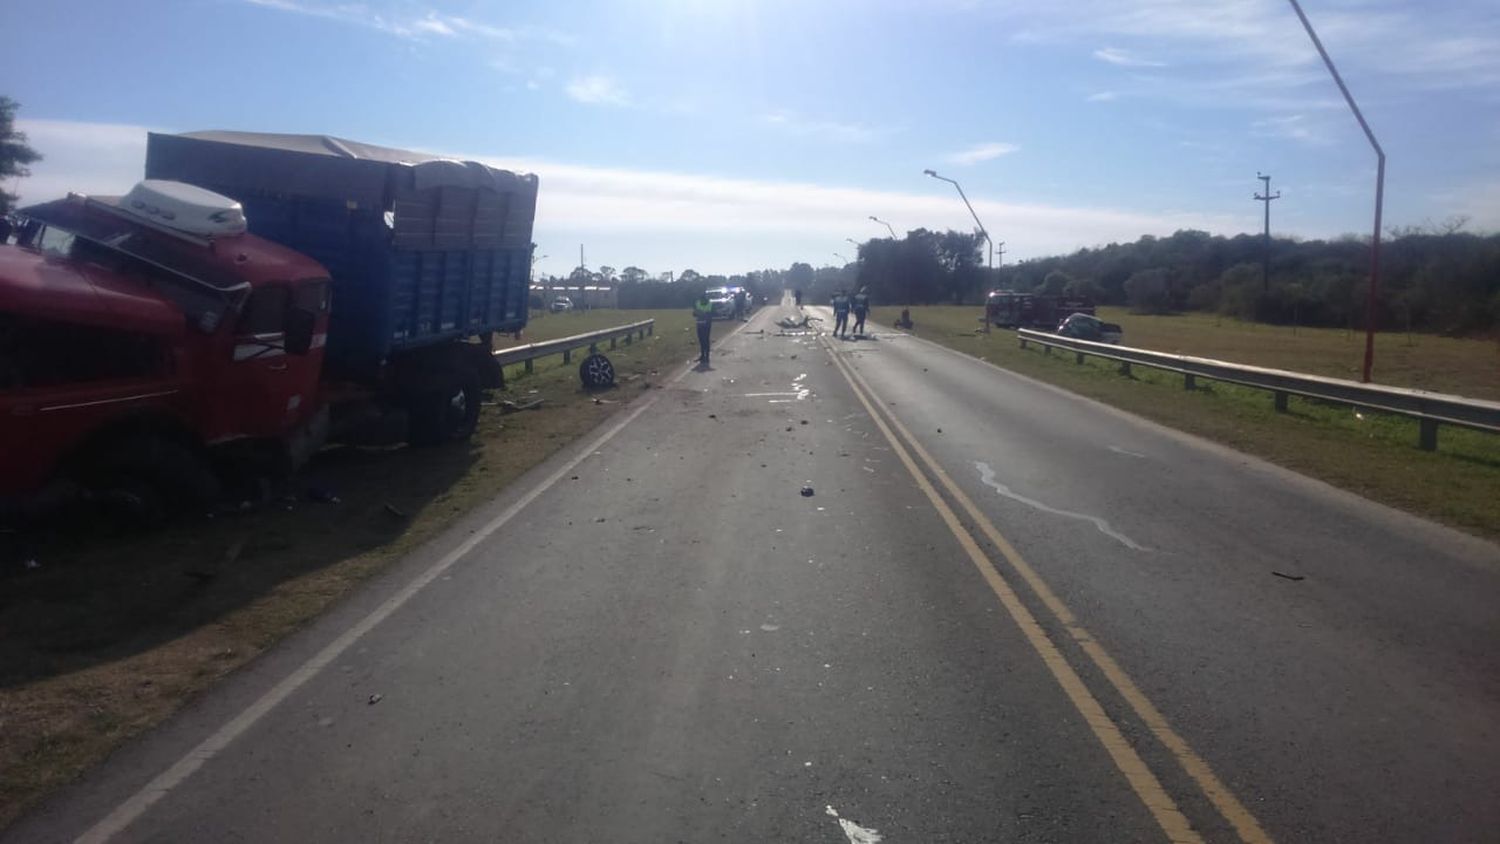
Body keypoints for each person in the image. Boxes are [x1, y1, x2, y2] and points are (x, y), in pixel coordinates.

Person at [692, 291, 714, 364]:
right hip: (700, 324)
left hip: (706, 324)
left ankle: (707, 356)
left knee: (706, 340)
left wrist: (702, 313)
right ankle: (702, 355)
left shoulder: (710, 304)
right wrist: (697, 313)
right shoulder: (698, 303)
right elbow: (694, 314)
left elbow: (711, 313)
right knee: (701, 340)